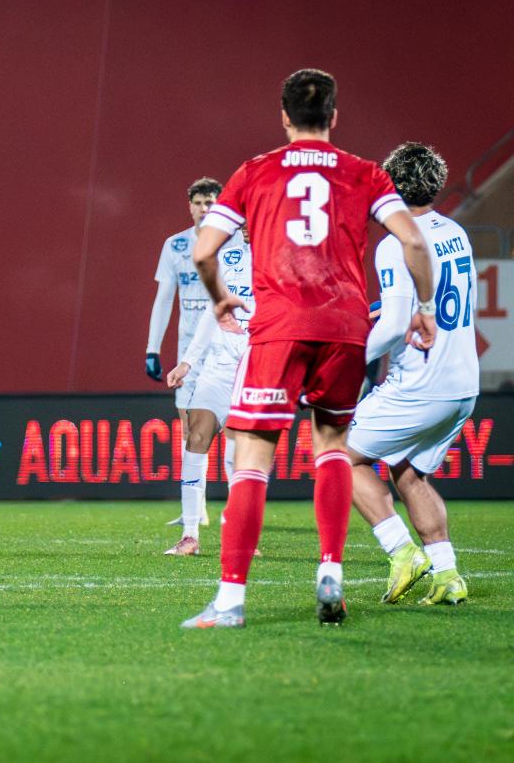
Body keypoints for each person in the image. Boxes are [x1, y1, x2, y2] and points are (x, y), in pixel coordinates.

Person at [180, 69, 437, 628]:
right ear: (334, 117)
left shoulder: (255, 171)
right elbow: (414, 240)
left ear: (284, 116)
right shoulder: (364, 173)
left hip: (279, 325)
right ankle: (331, 570)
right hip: (344, 326)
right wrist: (423, 306)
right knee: (332, 446)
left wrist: (220, 299)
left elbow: (203, 251)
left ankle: (230, 600)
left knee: (253, 457)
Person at [348, 143, 475, 606]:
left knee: (337, 457)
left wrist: (347, 360)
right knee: (408, 473)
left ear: (391, 186)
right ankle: (448, 574)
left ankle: (402, 551)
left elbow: (394, 326)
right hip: (463, 383)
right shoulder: (455, 231)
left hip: (421, 385)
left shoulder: (395, 243)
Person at [164, 227, 252, 555]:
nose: (245, 225)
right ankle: (190, 535)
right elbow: (210, 314)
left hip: (255, 370)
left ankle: (243, 532)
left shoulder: (281, 263)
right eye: (242, 219)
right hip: (217, 369)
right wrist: (187, 362)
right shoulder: (227, 258)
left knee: (242, 456)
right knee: (197, 437)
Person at [146, 178, 222, 528]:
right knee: (189, 429)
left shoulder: (232, 243)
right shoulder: (175, 246)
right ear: (190, 206)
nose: (204, 209)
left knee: (232, 431)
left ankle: (236, 510)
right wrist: (152, 348)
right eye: (199, 203)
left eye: (211, 203)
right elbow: (164, 299)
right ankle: (197, 508)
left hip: (224, 349)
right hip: (188, 352)